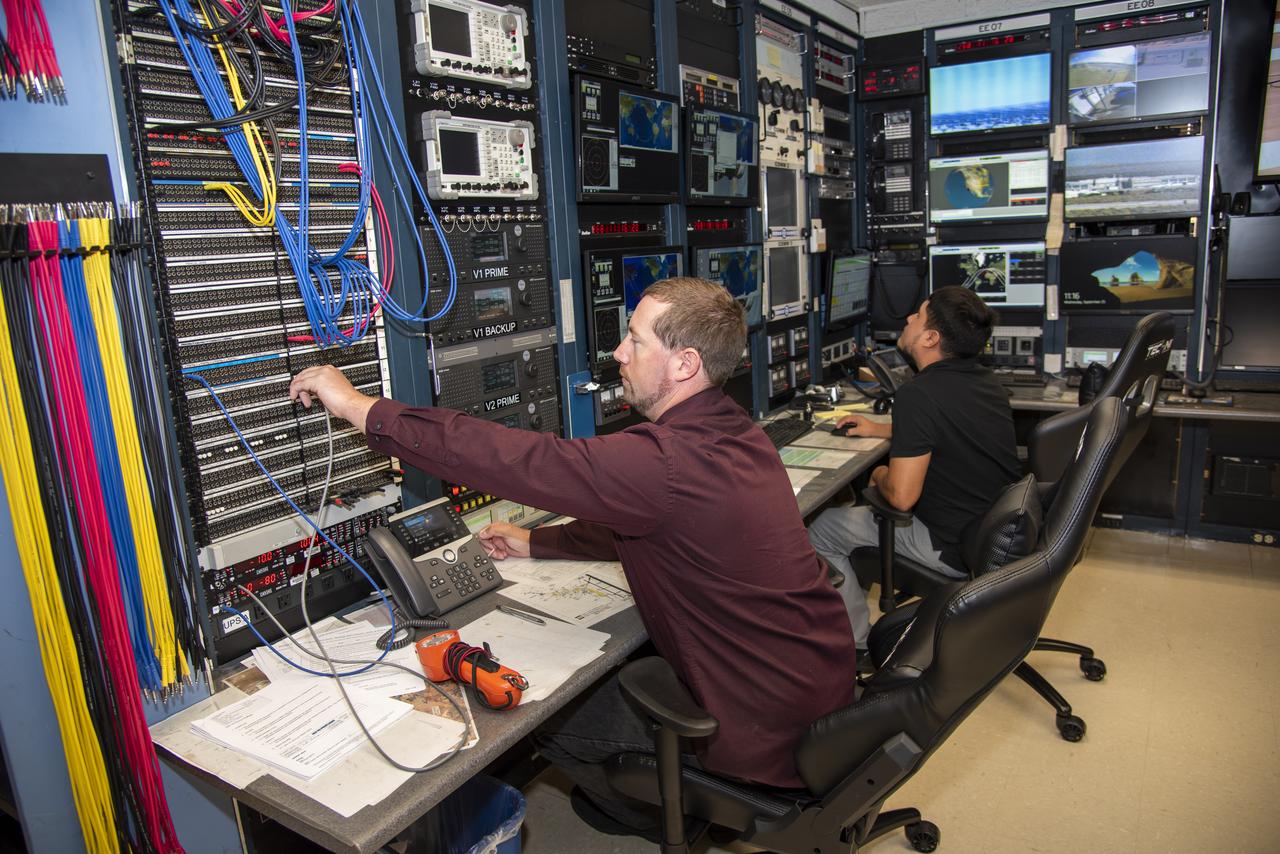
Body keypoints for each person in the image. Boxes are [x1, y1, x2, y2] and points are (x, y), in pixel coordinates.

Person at [289, 277, 857, 839]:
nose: (617, 354)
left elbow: (517, 460)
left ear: (683, 364)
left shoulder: (666, 461)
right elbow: (665, 526)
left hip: (762, 734)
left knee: (536, 707)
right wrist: (540, 543)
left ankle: (668, 811)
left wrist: (362, 408)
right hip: (813, 691)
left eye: (634, 341)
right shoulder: (735, 431)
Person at [808, 286, 1020, 649]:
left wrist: (875, 475)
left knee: (820, 527)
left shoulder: (918, 395)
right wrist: (883, 430)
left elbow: (902, 497)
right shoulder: (985, 382)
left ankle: (855, 645)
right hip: (986, 532)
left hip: (946, 545)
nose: (908, 319)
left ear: (930, 337)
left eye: (918, 316)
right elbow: (950, 429)